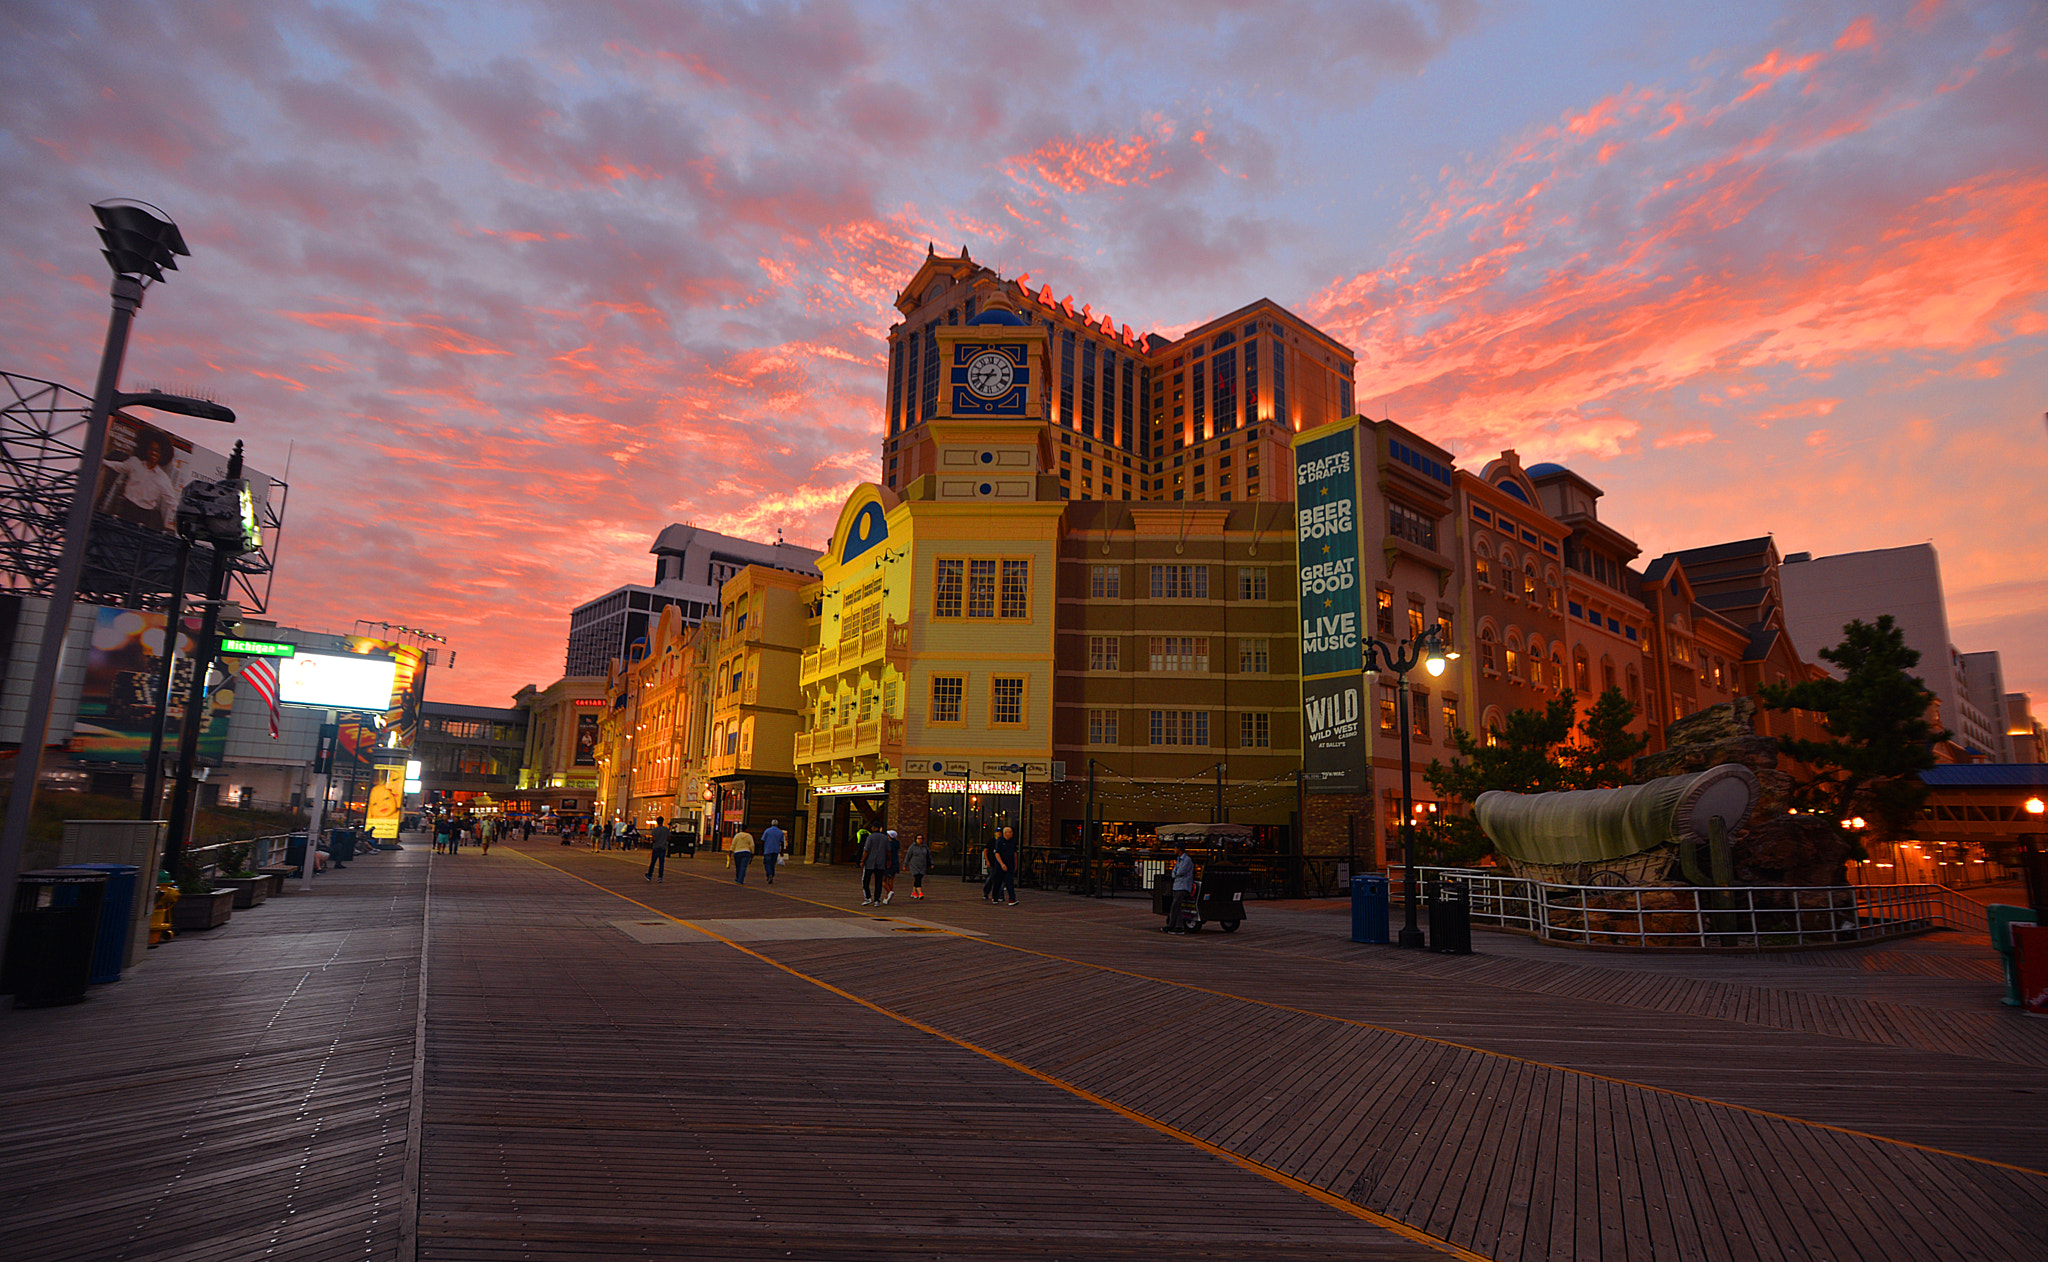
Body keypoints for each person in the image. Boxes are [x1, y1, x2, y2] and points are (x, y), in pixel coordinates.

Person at [1164, 842, 1196, 933]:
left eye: (1175, 848)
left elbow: (1180, 872)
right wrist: (1175, 873)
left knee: (1175, 905)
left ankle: (1174, 925)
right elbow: (1174, 872)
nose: (1174, 850)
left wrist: (1176, 873)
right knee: (1176, 906)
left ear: (1179, 849)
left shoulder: (1187, 860)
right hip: (1177, 885)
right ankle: (1175, 926)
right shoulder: (1179, 859)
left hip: (1183, 886)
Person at [861, 827, 891, 906]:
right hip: (881, 862)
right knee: (878, 882)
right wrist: (889, 860)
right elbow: (889, 850)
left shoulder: (870, 837)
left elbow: (866, 850)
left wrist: (862, 860)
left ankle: (868, 897)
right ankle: (877, 900)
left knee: (866, 881)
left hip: (870, 862)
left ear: (874, 828)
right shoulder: (885, 838)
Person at [991, 826, 1017, 906]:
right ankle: (995, 897)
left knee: (1010, 882)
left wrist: (1015, 864)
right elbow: (997, 853)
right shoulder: (1000, 841)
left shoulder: (1012, 842)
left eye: (1012, 832)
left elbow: (1015, 853)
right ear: (1006, 833)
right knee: (997, 882)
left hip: (1010, 865)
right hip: (1000, 865)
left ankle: (1012, 899)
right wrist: (1002, 864)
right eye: (1010, 832)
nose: (1011, 833)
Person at [904, 833, 930, 900]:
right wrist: (905, 864)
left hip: (922, 865)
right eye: (918, 838)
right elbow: (908, 856)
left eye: (921, 838)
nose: (920, 840)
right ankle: (920, 892)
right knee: (917, 877)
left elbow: (928, 855)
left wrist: (931, 863)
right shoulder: (912, 847)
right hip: (914, 865)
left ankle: (913, 892)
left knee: (919, 878)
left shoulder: (925, 847)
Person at [760, 819, 785, 883]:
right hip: (775, 850)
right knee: (772, 864)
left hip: (768, 850)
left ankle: (769, 874)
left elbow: (763, 840)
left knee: (767, 863)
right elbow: (782, 842)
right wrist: (781, 852)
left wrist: (761, 850)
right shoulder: (780, 832)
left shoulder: (767, 831)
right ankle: (772, 875)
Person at [646, 816, 670, 881]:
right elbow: (669, 838)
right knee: (661, 863)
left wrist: (652, 841)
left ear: (657, 822)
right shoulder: (666, 829)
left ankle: (649, 875)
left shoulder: (655, 830)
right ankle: (660, 877)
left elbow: (653, 838)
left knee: (653, 862)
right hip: (663, 847)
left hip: (656, 847)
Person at [881, 829, 901, 904]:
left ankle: (889, 892)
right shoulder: (897, 843)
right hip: (895, 863)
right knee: (891, 880)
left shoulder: (888, 844)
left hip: (888, 863)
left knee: (883, 880)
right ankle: (887, 896)